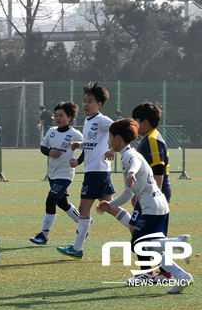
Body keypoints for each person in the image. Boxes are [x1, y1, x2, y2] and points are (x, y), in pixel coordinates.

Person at [97, 119, 192, 294]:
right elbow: (127, 193)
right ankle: (181, 275)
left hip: (151, 207)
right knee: (149, 246)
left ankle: (178, 243)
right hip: (159, 204)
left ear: (118, 138)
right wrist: (110, 205)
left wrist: (132, 172)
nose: (109, 141)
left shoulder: (129, 156)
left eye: (110, 137)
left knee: (140, 244)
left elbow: (136, 163)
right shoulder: (130, 154)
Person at [57, 82, 132, 259]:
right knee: (110, 206)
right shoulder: (89, 121)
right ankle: (138, 229)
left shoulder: (101, 120)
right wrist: (80, 145)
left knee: (84, 209)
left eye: (90, 101)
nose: (85, 104)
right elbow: (94, 143)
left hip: (96, 172)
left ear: (99, 105)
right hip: (98, 171)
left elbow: (122, 130)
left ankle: (77, 248)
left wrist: (115, 149)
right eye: (84, 100)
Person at [130, 102, 175, 282]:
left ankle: (146, 273)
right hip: (152, 192)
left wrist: (151, 193)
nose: (134, 124)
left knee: (140, 233)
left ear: (145, 122)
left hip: (156, 193)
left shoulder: (152, 140)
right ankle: (164, 272)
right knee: (148, 234)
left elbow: (158, 170)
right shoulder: (148, 137)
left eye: (136, 121)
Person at [30, 102, 83, 245]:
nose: (58, 118)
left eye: (62, 115)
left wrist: (78, 161)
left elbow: (88, 148)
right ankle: (83, 223)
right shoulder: (51, 131)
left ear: (70, 118)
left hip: (65, 175)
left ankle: (43, 235)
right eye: (56, 115)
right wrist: (49, 152)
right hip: (52, 174)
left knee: (51, 200)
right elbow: (42, 147)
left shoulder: (75, 134)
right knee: (62, 203)